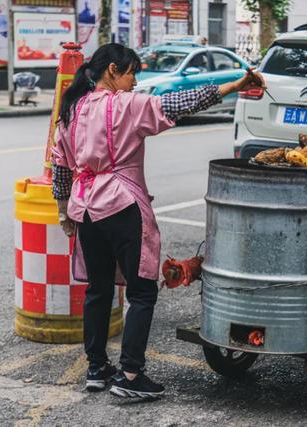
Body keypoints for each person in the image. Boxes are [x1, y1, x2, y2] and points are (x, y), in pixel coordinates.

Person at [51, 43, 264, 399]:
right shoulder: (126, 105)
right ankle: (131, 376)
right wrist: (234, 86)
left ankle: (96, 368)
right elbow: (182, 102)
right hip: (121, 205)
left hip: (84, 207)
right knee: (142, 292)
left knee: (98, 289)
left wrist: (63, 211)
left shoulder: (73, 108)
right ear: (113, 71)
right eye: (132, 72)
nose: (136, 81)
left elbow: (60, 165)